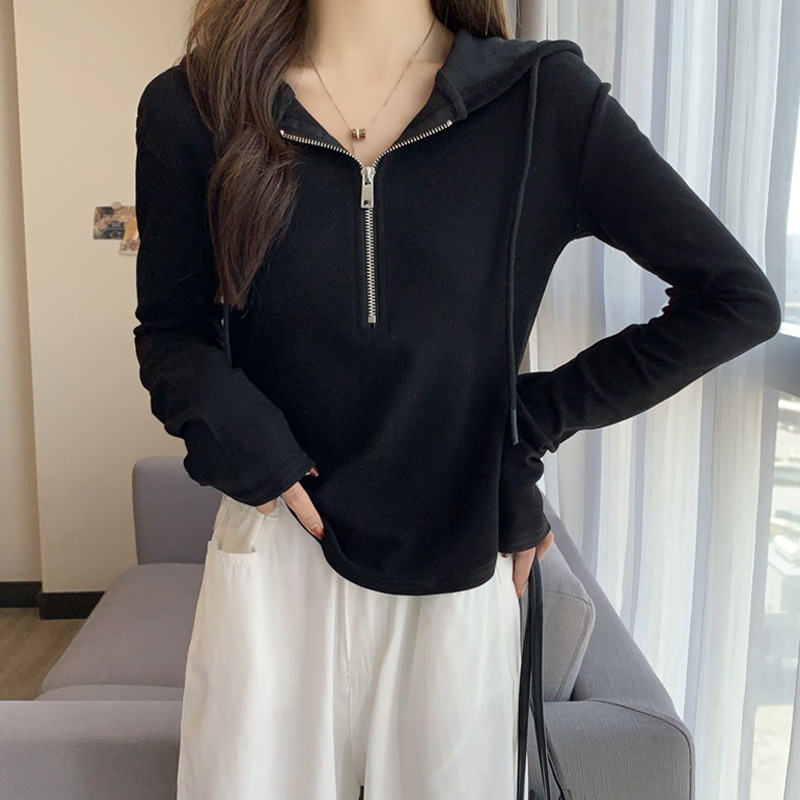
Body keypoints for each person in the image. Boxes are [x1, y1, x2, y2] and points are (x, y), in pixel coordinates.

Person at [132, 1, 782, 799]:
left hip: (459, 564)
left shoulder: (542, 101)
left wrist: (525, 424)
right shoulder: (196, 105)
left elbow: (735, 301)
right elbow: (171, 334)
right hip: (274, 555)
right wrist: (246, 441)